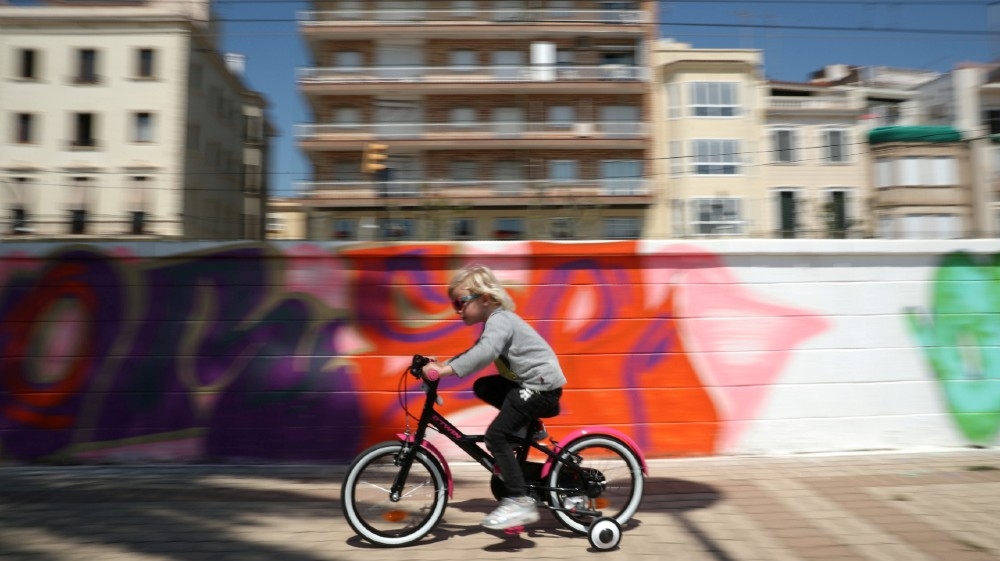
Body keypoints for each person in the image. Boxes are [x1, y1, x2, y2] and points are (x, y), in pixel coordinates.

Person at [422, 264, 567, 530]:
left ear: (485, 298)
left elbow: (485, 352)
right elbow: (478, 350)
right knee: (484, 386)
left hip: (541, 388)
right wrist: (442, 366)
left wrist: (445, 369)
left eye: (460, 302)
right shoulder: (495, 322)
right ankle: (529, 427)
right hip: (530, 385)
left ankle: (519, 501)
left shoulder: (500, 320)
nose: (457, 310)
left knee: (496, 436)